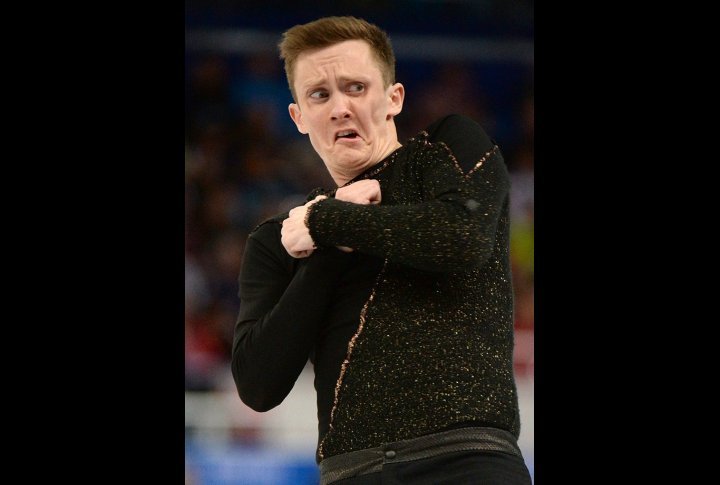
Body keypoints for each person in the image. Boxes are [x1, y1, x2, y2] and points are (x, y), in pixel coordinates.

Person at [231, 16, 532, 485]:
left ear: (394, 98)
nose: (340, 108)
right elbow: (257, 384)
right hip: (353, 472)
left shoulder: (446, 149)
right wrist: (330, 243)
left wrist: (328, 220)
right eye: (320, 95)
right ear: (298, 117)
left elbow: (461, 237)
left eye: (355, 87)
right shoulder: (281, 238)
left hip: (468, 460)